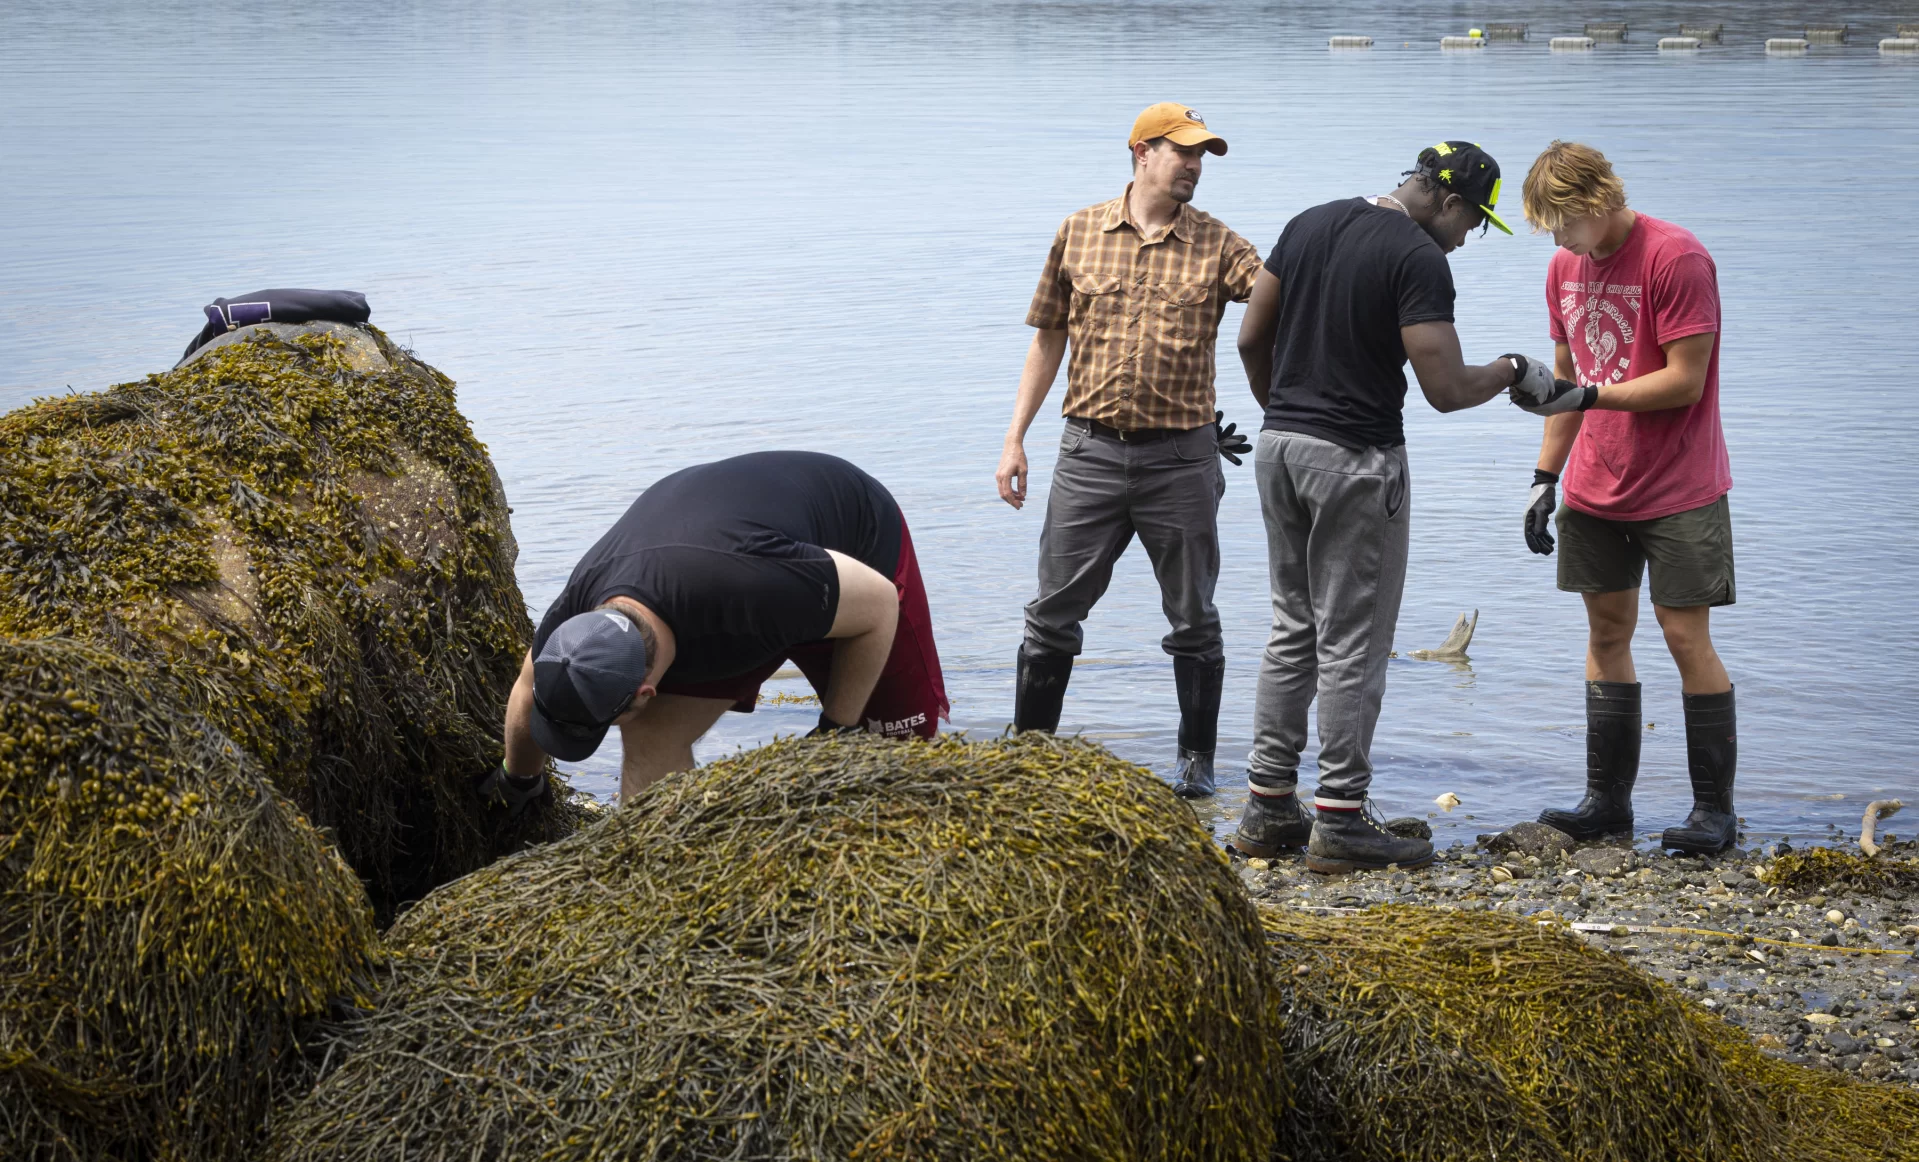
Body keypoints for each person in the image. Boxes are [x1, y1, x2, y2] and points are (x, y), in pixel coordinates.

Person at [1231, 142, 1533, 873]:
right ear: (1449, 201)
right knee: (1352, 639)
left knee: (1290, 626)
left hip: (1278, 449)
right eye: (1474, 224)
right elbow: (1446, 388)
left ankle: (1267, 807)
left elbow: (1248, 337)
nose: (1466, 240)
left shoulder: (1307, 221)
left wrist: (1288, 411)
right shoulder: (1416, 257)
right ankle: (1338, 817)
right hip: (1356, 459)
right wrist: (1512, 371)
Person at [995, 102, 1260, 799]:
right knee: (1051, 611)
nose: (1196, 168)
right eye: (1184, 153)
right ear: (1142, 151)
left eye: (1202, 157)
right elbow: (1048, 336)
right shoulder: (1078, 231)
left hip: (1182, 460)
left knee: (1194, 616)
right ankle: (1028, 758)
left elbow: (1277, 303)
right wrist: (1014, 437)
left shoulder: (1218, 243)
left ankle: (1195, 764)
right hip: (1087, 452)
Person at [479, 451, 948, 807]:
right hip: (720, 572)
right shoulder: (572, 627)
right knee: (651, 741)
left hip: (854, 553)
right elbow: (527, 687)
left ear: (645, 691)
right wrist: (518, 782)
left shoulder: (749, 588)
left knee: (890, 755)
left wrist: (836, 729)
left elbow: (880, 605)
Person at [1506, 140, 1737, 854]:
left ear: (1598, 201)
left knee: (1681, 635)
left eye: (1562, 221)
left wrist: (1591, 394)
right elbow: (1563, 384)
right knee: (1605, 634)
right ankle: (1606, 804)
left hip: (1679, 484)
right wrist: (1544, 480)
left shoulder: (1677, 258)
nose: (1555, 236)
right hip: (1594, 486)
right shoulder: (1561, 268)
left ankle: (1713, 812)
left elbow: (1683, 381)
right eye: (1546, 225)